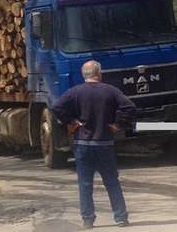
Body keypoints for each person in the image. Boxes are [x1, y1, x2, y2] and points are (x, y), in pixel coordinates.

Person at [51, 60, 136, 229]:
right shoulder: (110, 91)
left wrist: (71, 121)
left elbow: (56, 107)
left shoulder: (75, 92)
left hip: (82, 144)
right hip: (104, 143)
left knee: (85, 184)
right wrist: (118, 124)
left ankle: (88, 220)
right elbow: (129, 107)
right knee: (112, 182)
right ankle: (121, 218)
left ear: (84, 75)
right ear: (99, 73)